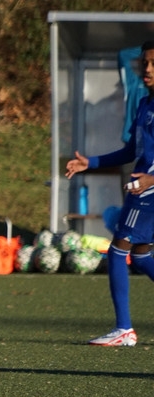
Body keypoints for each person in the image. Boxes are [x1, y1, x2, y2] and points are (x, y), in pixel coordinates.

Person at [65, 39, 154, 347]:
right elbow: (132, 151)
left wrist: (151, 180)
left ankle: (124, 329)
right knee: (141, 256)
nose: (148, 69)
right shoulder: (145, 104)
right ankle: (123, 328)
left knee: (118, 247)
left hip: (149, 191)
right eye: (145, 63)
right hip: (142, 188)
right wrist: (90, 163)